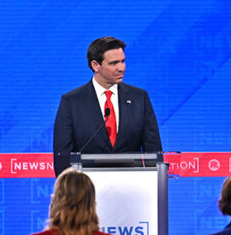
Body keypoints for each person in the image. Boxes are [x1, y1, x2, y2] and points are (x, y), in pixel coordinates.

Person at [53, 37, 162, 176]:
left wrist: (154, 185)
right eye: (114, 63)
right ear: (95, 65)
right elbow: (63, 157)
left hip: (132, 188)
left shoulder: (139, 98)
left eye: (123, 61)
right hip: (87, 189)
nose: (121, 68)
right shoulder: (71, 102)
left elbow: (153, 150)